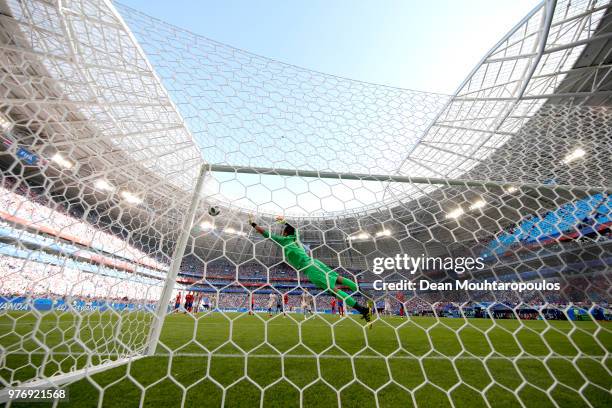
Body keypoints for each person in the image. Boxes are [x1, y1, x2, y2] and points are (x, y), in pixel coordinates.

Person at [249, 216, 370, 322]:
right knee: (339, 278)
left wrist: (254, 225)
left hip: (310, 268)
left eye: (283, 232)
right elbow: (294, 229)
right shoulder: (295, 237)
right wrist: (284, 221)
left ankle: (363, 310)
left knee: (334, 290)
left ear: (285, 233)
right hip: (315, 262)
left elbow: (266, 234)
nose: (281, 234)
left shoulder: (284, 240)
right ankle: (366, 294)